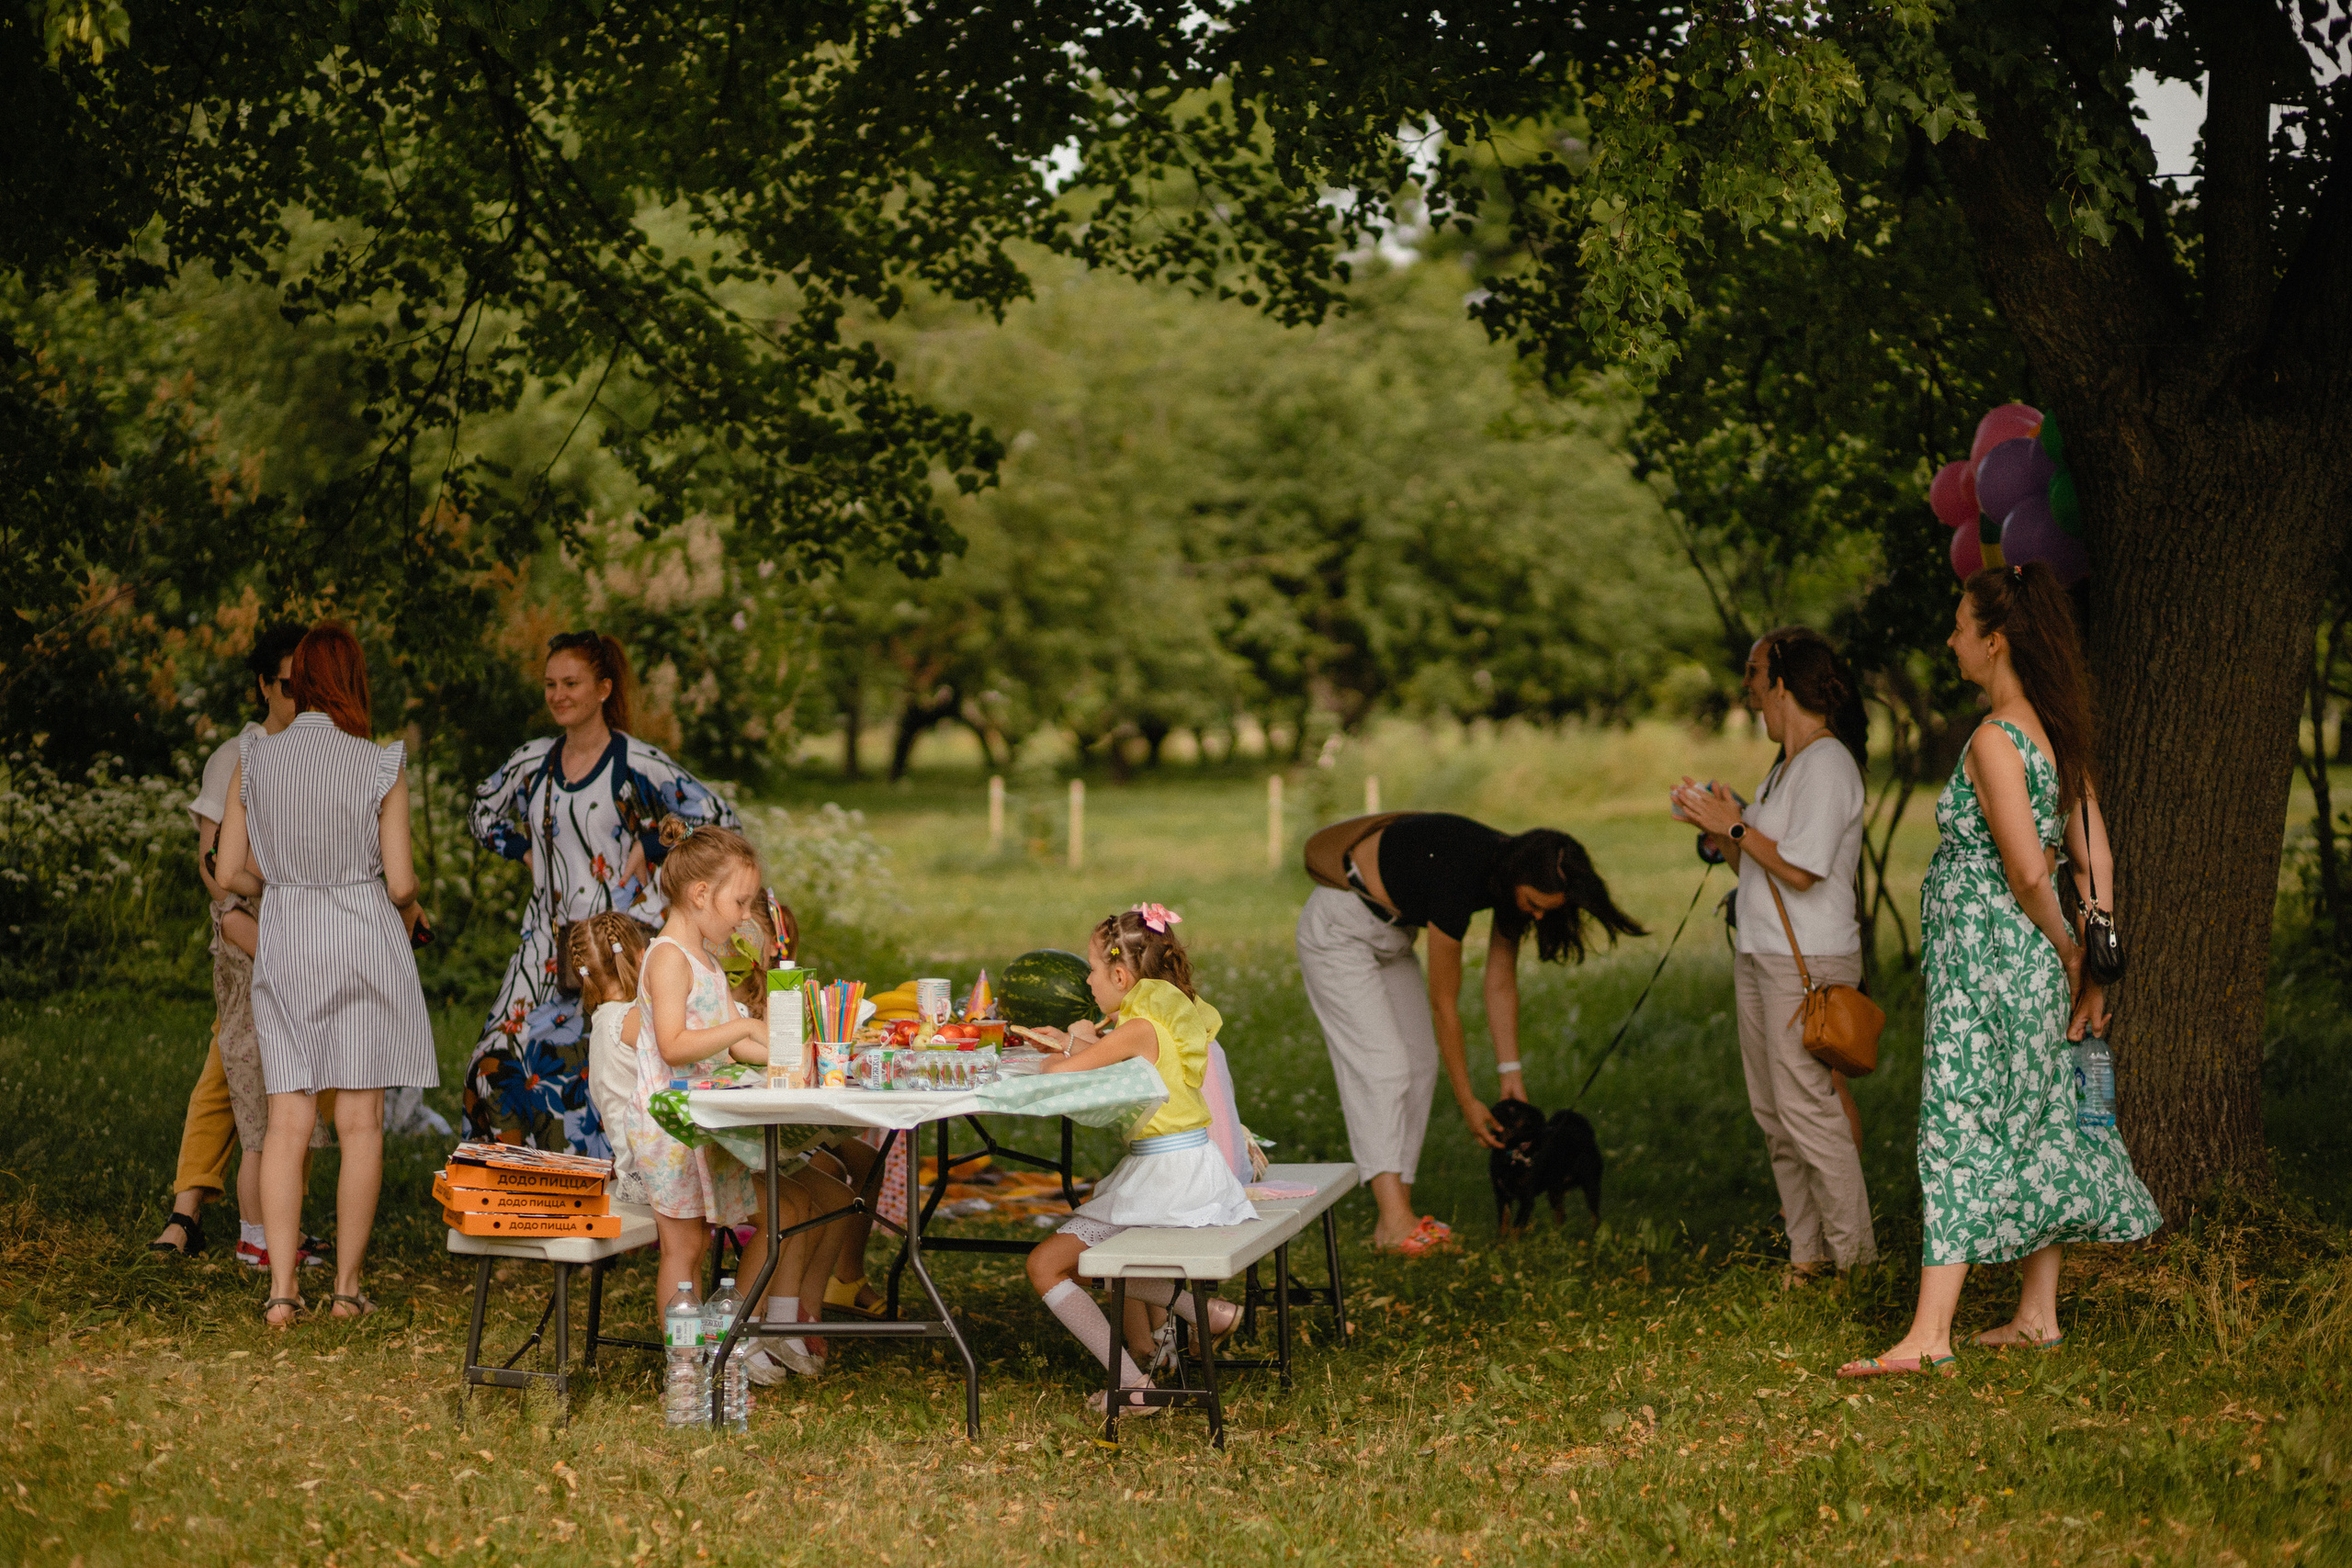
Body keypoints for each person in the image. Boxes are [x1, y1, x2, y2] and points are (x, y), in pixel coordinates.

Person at [1840, 564, 2160, 1378]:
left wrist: (2070, 950)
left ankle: (1929, 1334)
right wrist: (2090, 960)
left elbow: (2025, 870)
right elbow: (2094, 858)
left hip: (1991, 963)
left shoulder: (1993, 740)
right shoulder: (2053, 735)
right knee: (2038, 1116)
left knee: (1961, 1118)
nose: (1950, 640)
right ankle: (2035, 1315)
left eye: (1959, 627)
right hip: (2029, 963)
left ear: (1996, 640)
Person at [213, 624, 437, 1326]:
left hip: (287, 938)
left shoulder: (255, 756)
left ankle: (282, 1292)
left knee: (288, 1120)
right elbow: (400, 883)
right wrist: (411, 904)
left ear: (300, 681)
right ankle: (345, 1288)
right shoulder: (379, 763)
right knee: (360, 1121)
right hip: (362, 935)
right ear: (354, 681)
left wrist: (283, 878)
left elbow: (229, 870)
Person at [1295, 814, 1644, 1253]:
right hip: (1339, 929)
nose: (1537, 915)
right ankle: (1395, 1221)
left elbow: (1500, 985)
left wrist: (1510, 1073)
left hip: (1392, 934)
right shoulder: (1458, 875)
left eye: (1546, 910)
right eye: (1534, 904)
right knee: (1384, 1068)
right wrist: (1467, 1102)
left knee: (1421, 1065)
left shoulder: (1511, 876)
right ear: (1518, 880)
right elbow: (1445, 1005)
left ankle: (1397, 1221)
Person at [464, 630, 738, 1154]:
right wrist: (521, 849)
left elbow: (719, 818)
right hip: (544, 943)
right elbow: (481, 810)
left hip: (616, 950)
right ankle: (516, 1177)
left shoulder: (637, 764)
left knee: (594, 1066)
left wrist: (655, 844)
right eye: (550, 684)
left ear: (604, 689)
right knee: (494, 1060)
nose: (558, 695)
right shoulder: (532, 763)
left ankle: (603, 1179)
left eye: (571, 683)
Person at [1672, 627, 1875, 1283]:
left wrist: (1735, 824)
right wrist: (1719, 826)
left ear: (1782, 684)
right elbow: (1757, 869)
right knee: (1775, 1114)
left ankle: (1856, 1262)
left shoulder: (1828, 764)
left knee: (1809, 1113)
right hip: (1763, 955)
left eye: (1755, 675)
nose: (1749, 689)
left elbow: (1803, 870)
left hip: (1808, 961)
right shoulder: (1785, 768)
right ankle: (1807, 1256)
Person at [1023, 904, 1258, 1416]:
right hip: (1180, 1167)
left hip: (1168, 1176)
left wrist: (1047, 1055)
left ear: (1120, 976)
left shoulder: (1140, 1027)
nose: (1087, 980)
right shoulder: (1155, 1018)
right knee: (1077, 1262)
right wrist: (1077, 1042)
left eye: (1092, 969)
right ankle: (1201, 1313)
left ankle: (1135, 1387)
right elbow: (1106, 1059)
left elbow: (1062, 1074)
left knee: (1047, 1265)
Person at [150, 624, 335, 1269]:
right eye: (288, 684)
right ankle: (252, 1230)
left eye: (311, 684)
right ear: (263, 685)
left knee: (254, 1076)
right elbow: (213, 863)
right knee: (250, 1077)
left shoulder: (323, 752)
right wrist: (237, 921)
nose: (300, 697)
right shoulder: (237, 755)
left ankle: (210, 1217)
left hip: (301, 930)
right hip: (250, 930)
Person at [614, 818, 775, 1334]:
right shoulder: (668, 958)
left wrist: (786, 1051)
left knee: (698, 1243)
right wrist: (743, 1024)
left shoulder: (705, 960)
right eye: (740, 903)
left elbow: (736, 1044)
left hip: (699, 1119)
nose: (746, 916)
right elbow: (673, 1044)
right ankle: (682, 1360)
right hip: (668, 1126)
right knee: (683, 1248)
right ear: (701, 894)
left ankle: (707, 1347)